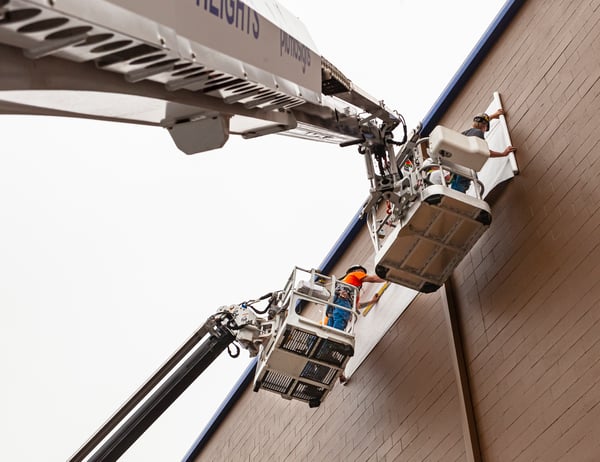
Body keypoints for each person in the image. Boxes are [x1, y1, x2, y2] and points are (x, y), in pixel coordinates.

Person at [450, 108, 517, 193]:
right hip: (465, 168)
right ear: (485, 126)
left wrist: (493, 115)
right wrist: (503, 153)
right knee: (458, 192)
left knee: (456, 189)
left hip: (457, 167)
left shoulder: (466, 133)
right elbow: (485, 152)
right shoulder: (478, 133)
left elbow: (481, 120)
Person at [326, 264, 384, 331]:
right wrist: (388, 278)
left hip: (334, 302)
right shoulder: (354, 274)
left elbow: (357, 306)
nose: (363, 274)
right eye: (362, 272)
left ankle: (327, 340)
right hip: (343, 298)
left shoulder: (353, 289)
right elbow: (373, 279)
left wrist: (372, 301)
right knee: (341, 320)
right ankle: (333, 338)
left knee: (330, 324)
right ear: (355, 270)